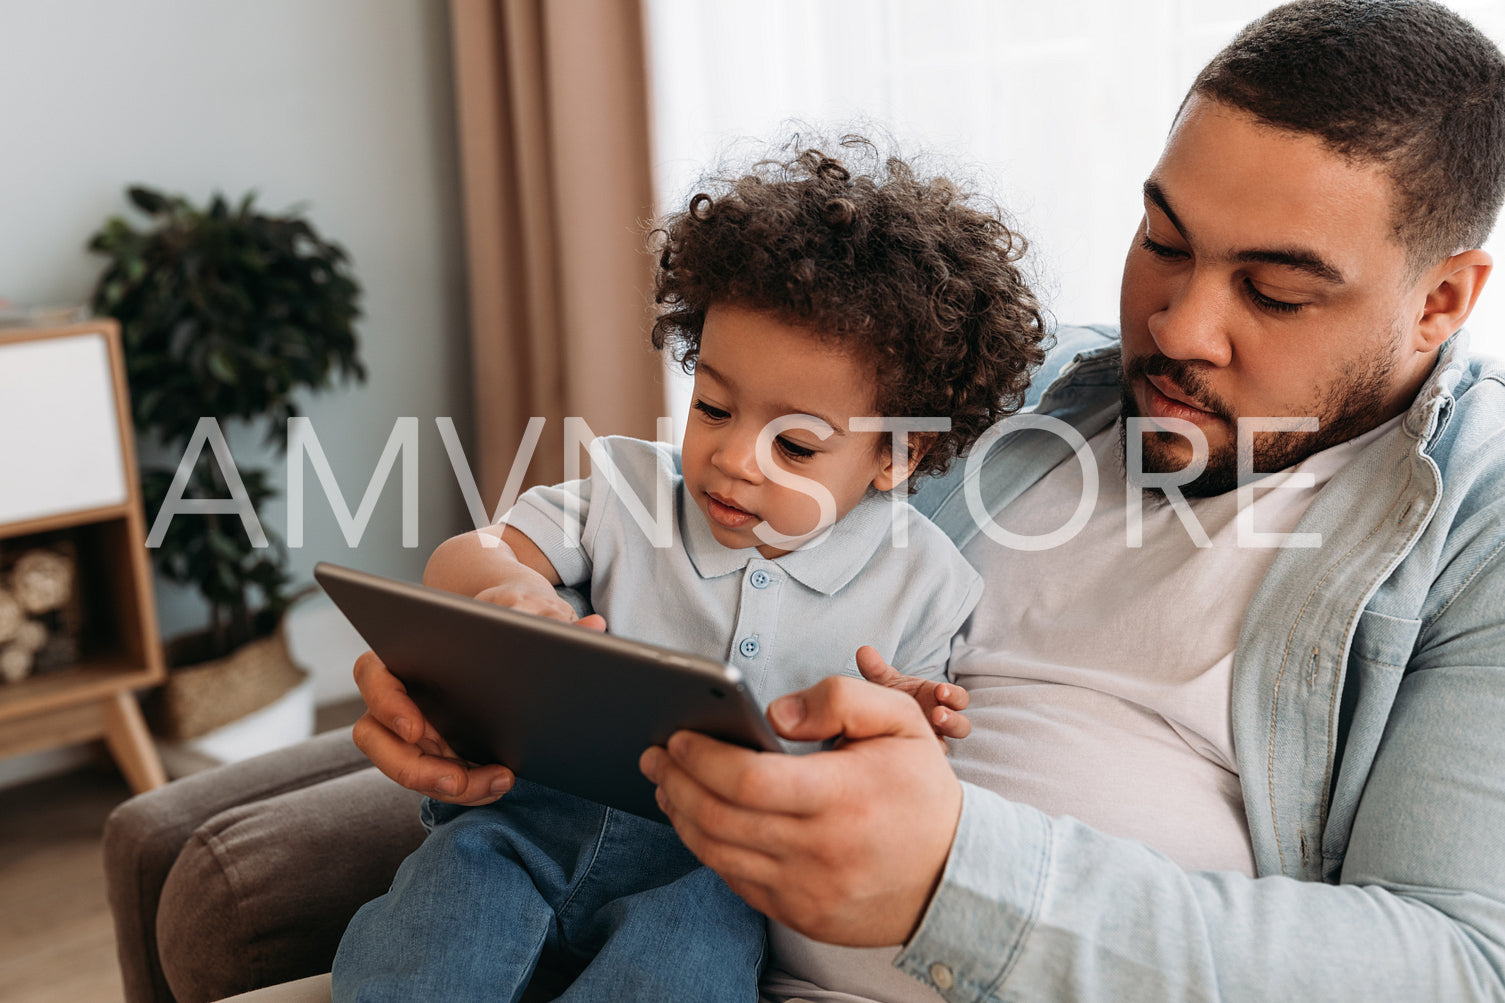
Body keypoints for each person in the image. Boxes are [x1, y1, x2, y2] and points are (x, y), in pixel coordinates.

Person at [353, 1, 1505, 999]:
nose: (1177, 326)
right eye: (1162, 240)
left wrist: (956, 879)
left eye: (1271, 290)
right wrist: (466, 678)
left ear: (1441, 299)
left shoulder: (1474, 519)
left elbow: (1457, 966)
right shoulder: (998, 390)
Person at [332, 141, 1052, 1002]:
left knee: (684, 975)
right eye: (712, 406)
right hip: (521, 822)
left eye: (793, 444)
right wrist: (512, 589)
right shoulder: (630, 488)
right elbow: (474, 551)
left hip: (709, 870)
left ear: (898, 455)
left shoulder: (924, 579)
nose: (734, 458)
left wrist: (910, 711)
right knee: (419, 950)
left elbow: (894, 760)